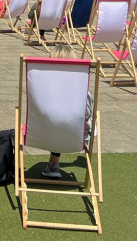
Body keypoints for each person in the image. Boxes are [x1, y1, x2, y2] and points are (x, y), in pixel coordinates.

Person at [41, 43, 95, 179]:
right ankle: (54, 163)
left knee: (57, 120)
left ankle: (54, 163)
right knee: (66, 120)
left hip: (41, 136)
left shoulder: (42, 92)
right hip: (78, 139)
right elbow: (87, 117)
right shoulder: (84, 94)